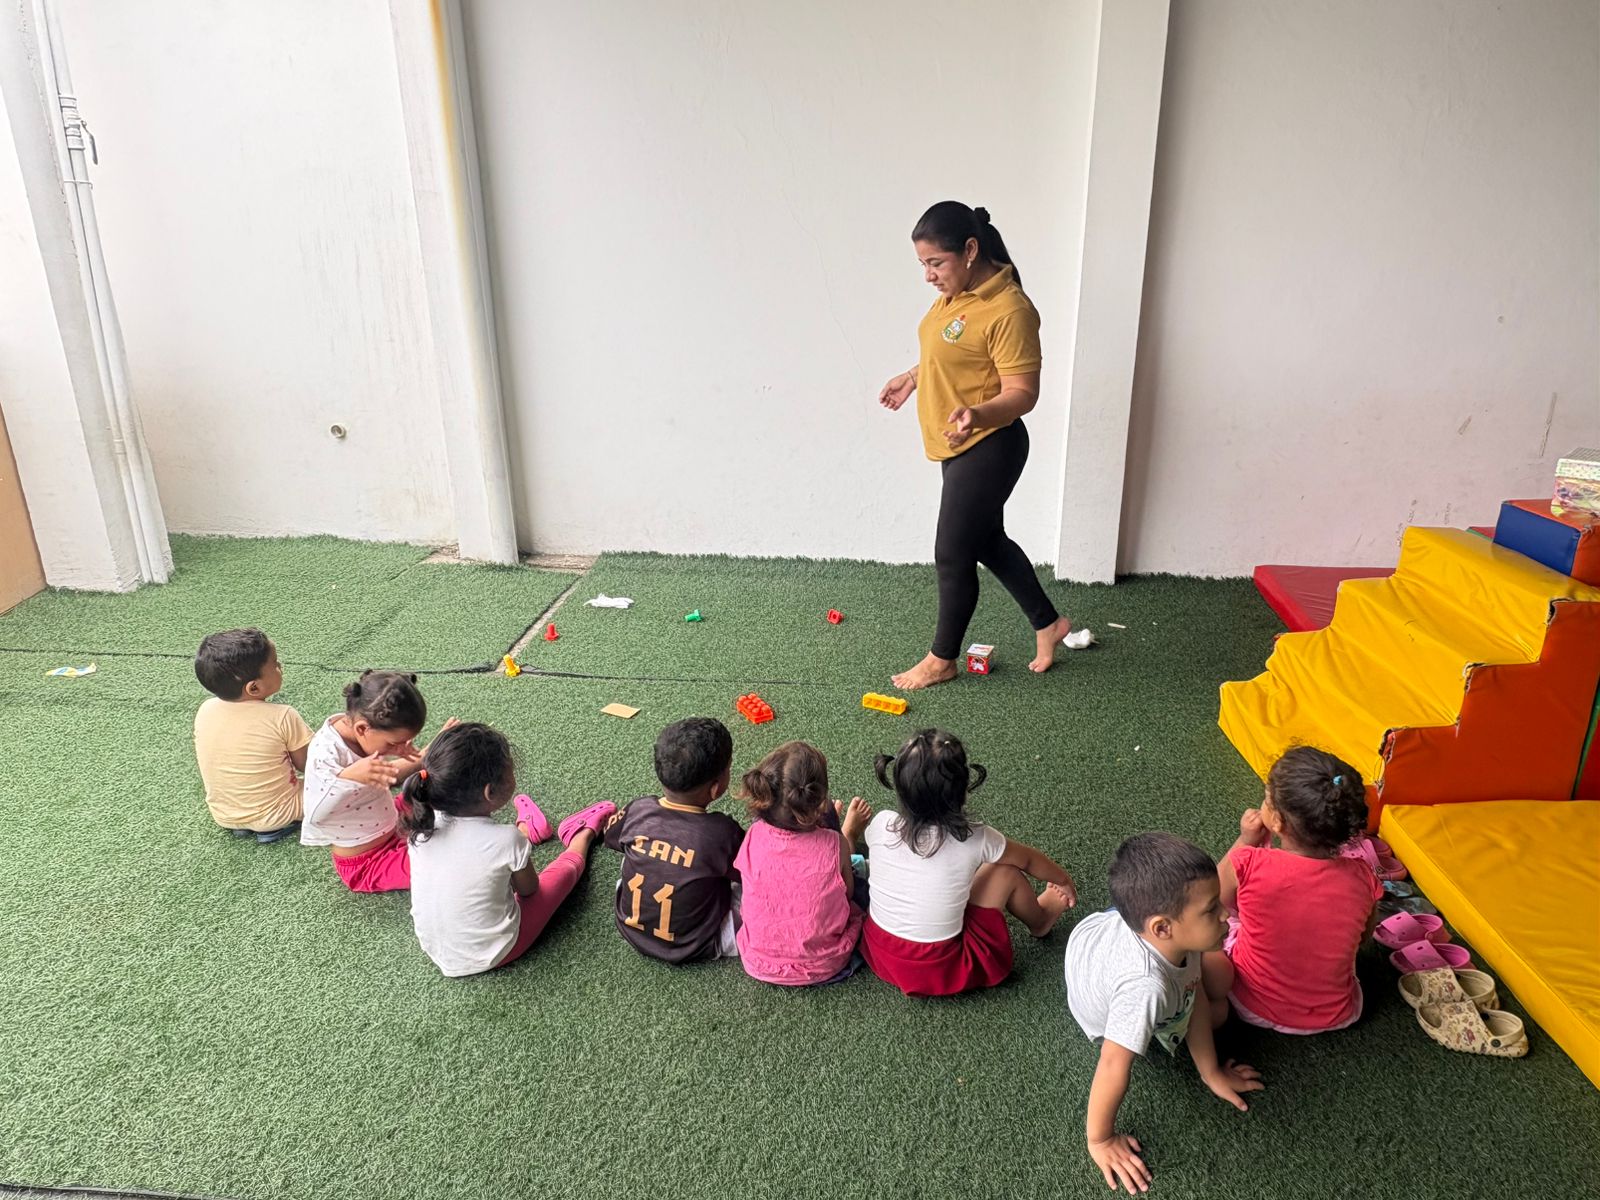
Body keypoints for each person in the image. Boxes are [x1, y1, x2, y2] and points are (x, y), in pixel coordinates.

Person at [877, 201, 1074, 689]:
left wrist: (977, 414)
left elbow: (1023, 393)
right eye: (922, 264)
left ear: (969, 250)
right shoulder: (957, 294)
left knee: (952, 551)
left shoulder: (1010, 309)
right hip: (959, 444)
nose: (928, 275)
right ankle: (1049, 623)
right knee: (985, 539)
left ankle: (941, 659)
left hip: (991, 444)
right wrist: (913, 376)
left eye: (935, 263)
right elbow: (954, 352)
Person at [1064, 833, 1265, 1195]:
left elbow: (1193, 987)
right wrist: (1101, 1139)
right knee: (1219, 1011)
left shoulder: (1176, 936)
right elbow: (1112, 1064)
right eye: (1211, 909)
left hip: (1103, 929)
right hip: (1101, 990)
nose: (1226, 913)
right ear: (1163, 928)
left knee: (1219, 978)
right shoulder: (1146, 988)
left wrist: (1211, 1072)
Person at [861, 728, 1075, 996]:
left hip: (882, 952)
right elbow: (1029, 860)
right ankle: (1040, 920)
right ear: (962, 791)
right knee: (1005, 871)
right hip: (940, 967)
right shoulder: (975, 838)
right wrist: (1062, 879)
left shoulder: (882, 822)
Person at [397, 721, 614, 977]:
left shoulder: (423, 826)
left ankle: (529, 829)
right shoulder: (505, 840)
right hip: (496, 951)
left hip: (438, 951)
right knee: (560, 875)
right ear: (490, 792)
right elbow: (529, 890)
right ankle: (581, 835)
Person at [1202, 747, 1382, 1034]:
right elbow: (1363, 939)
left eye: (1266, 799)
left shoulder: (1249, 862)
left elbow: (1217, 899)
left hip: (1251, 1004)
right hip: (1337, 1014)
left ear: (1277, 821)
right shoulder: (1364, 877)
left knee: (1223, 921)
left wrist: (1245, 840)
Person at [601, 717, 744, 963]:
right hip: (698, 943)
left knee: (634, 851)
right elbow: (753, 874)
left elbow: (610, 836)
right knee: (757, 890)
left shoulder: (638, 809)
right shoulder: (723, 832)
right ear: (715, 788)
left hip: (630, 928)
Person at [734, 740, 871, 986]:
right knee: (861, 884)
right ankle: (848, 833)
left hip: (757, 960)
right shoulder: (833, 843)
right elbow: (847, 894)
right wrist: (841, 840)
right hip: (825, 963)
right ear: (819, 804)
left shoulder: (754, 834)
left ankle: (839, 829)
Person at [301, 670, 443, 892]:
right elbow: (314, 814)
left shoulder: (363, 729)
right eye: (394, 743)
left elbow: (389, 775)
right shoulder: (325, 754)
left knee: (440, 790)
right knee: (439, 863)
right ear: (362, 729)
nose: (400, 748)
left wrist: (423, 755)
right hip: (369, 862)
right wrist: (348, 777)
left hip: (393, 821)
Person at [192, 628, 313, 843]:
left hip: (224, 815)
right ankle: (274, 825)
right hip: (279, 813)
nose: (280, 667)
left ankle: (246, 825)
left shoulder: (206, 709)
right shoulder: (282, 716)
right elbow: (310, 765)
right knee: (345, 787)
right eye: (275, 664)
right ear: (254, 687)